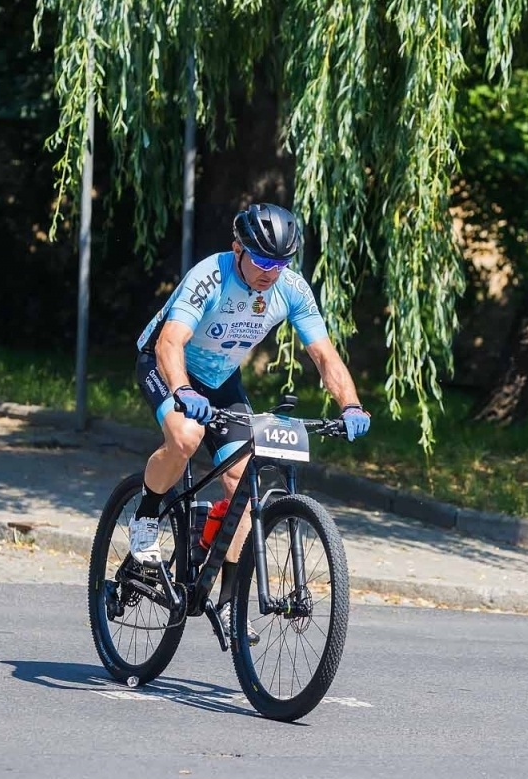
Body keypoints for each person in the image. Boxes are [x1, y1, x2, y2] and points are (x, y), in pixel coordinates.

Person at [129, 202, 370, 615]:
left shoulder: (290, 288)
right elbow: (171, 342)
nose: (269, 272)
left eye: (280, 263)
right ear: (237, 248)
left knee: (243, 476)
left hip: (222, 381)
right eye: (260, 260)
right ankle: (145, 520)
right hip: (167, 365)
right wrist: (184, 391)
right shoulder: (209, 276)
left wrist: (350, 405)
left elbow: (324, 355)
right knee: (186, 437)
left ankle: (225, 592)